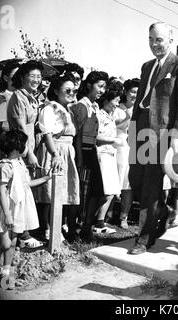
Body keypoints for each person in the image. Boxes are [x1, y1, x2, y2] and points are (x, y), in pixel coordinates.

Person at [127, 22, 178, 255]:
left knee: (150, 186)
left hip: (163, 133)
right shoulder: (146, 66)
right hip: (141, 129)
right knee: (135, 179)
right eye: (151, 39)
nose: (154, 44)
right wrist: (132, 130)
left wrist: (177, 135)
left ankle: (144, 238)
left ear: (170, 39)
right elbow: (140, 101)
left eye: (159, 39)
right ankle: (163, 211)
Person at [0, 130, 51, 288]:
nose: (28, 147)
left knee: (13, 241)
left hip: (17, 209)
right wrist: (7, 214)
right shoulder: (5, 166)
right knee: (5, 243)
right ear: (17, 148)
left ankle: (5, 275)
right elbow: (1, 190)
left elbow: (26, 185)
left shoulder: (20, 164)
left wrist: (46, 178)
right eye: (27, 144)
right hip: (5, 209)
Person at [35, 72, 80, 242]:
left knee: (61, 192)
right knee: (49, 192)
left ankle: (57, 226)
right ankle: (47, 228)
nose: (71, 94)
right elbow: (47, 134)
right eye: (67, 90)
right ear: (56, 91)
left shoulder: (68, 110)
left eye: (73, 91)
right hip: (55, 150)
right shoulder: (49, 109)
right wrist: (55, 154)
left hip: (67, 151)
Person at [7, 59, 44, 247]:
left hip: (30, 148)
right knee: (19, 191)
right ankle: (22, 235)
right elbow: (21, 127)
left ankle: (24, 233)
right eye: (32, 76)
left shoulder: (32, 97)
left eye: (39, 76)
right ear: (22, 77)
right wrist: (29, 153)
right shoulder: (18, 97)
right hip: (19, 149)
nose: (36, 79)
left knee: (25, 191)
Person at [71, 71, 108, 240]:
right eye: (99, 86)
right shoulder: (80, 106)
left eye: (104, 87)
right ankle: (76, 229)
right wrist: (79, 158)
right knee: (82, 194)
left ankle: (87, 226)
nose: (102, 90)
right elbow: (77, 135)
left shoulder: (95, 106)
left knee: (98, 193)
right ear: (88, 86)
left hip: (92, 152)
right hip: (83, 153)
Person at [92, 81, 124, 233]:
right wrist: (114, 140)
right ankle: (95, 222)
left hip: (110, 154)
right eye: (115, 101)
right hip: (102, 154)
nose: (117, 104)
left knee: (111, 191)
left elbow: (125, 116)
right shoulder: (99, 115)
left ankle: (100, 221)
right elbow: (96, 136)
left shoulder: (111, 115)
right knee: (105, 191)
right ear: (106, 100)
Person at [115, 78, 140, 229]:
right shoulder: (118, 107)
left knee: (128, 183)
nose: (135, 95)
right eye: (132, 92)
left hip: (133, 148)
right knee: (114, 183)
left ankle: (123, 216)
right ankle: (105, 216)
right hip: (117, 147)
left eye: (138, 92)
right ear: (126, 92)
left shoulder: (141, 109)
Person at [0, 60, 20, 135]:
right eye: (15, 75)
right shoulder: (2, 97)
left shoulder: (23, 96)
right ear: (6, 78)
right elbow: (1, 126)